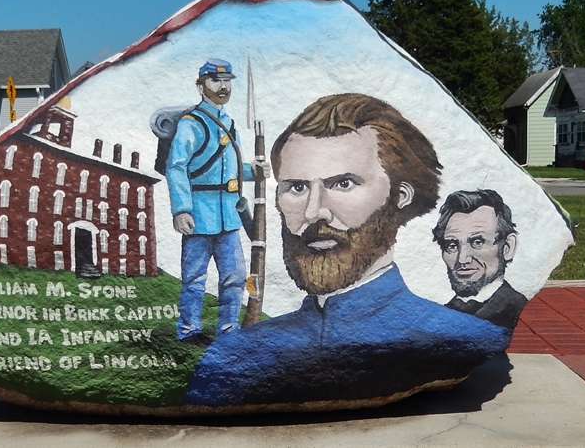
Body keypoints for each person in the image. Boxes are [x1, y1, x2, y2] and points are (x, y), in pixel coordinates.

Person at [186, 93, 510, 406]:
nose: (314, 212)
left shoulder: (460, 338)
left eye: (343, 184)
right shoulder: (232, 356)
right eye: (297, 187)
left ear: (400, 196)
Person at [166, 59, 258, 346]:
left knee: (235, 276)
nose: (223, 87)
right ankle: (189, 330)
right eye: (216, 81)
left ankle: (229, 331)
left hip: (229, 215)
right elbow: (177, 166)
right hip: (200, 214)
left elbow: (229, 166)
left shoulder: (228, 123)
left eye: (227, 81)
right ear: (201, 85)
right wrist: (182, 209)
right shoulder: (191, 123)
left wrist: (253, 172)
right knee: (194, 278)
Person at [432, 189, 527, 329]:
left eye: (477, 242)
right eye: (452, 245)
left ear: (507, 247)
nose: (462, 259)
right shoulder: (443, 313)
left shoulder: (517, 309)